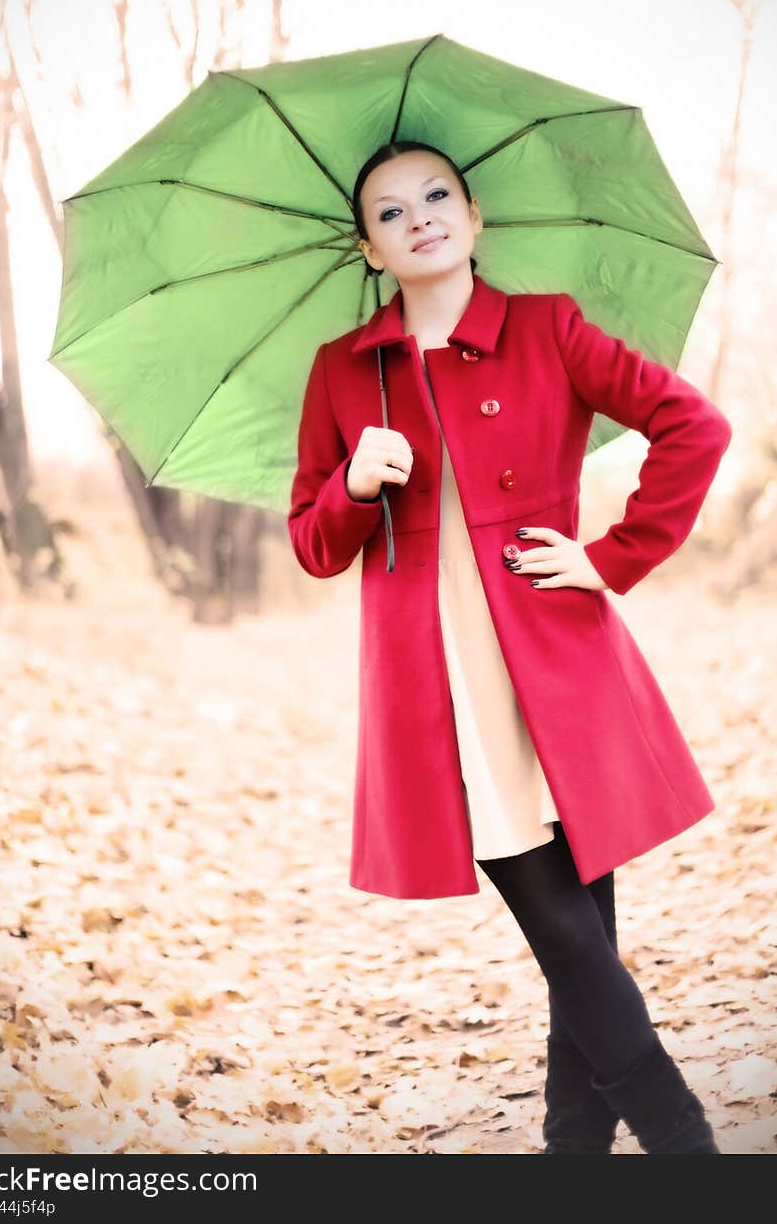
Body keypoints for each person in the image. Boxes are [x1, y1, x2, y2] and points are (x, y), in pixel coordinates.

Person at [288, 140, 731, 1154]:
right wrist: (355, 484)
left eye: (437, 196)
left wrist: (612, 556)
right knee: (567, 930)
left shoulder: (547, 328)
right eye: (391, 212)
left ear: (474, 216)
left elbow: (692, 428)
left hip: (555, 659)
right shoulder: (341, 374)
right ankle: (684, 1141)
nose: (421, 218)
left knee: (586, 939)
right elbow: (312, 543)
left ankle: (571, 1150)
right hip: (437, 678)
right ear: (369, 246)